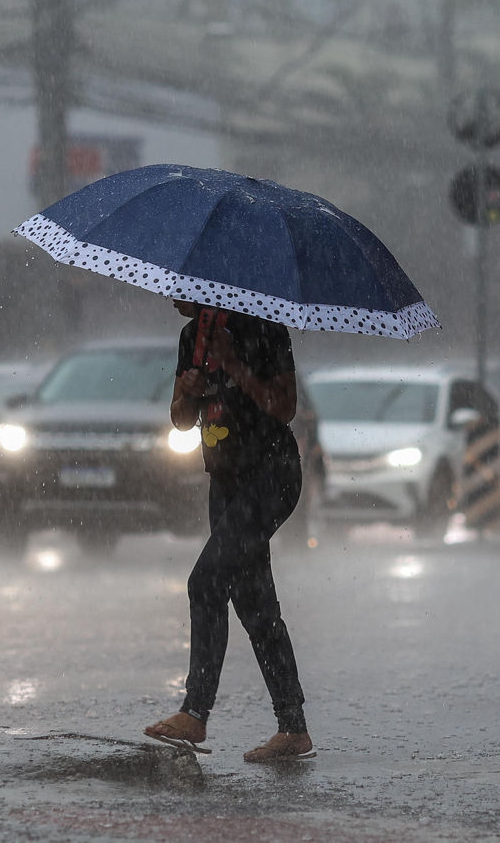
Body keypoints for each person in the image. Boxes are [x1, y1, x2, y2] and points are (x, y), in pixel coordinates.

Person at [144, 299, 314, 763]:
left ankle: (195, 710)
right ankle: (293, 728)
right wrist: (187, 392)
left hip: (272, 476)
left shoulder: (264, 329)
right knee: (254, 602)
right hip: (224, 478)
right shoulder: (189, 338)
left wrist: (235, 363)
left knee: (206, 581)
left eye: (182, 284)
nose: (171, 294)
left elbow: (285, 408)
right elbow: (180, 420)